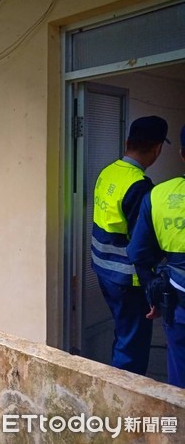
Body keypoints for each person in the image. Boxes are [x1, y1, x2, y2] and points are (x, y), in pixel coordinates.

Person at [91, 115, 169, 375]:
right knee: (132, 348)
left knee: (123, 333)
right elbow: (141, 246)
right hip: (127, 280)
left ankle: (117, 379)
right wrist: (152, 288)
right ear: (157, 148)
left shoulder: (108, 171)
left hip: (104, 271)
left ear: (127, 142)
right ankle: (124, 400)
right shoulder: (140, 186)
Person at [127, 125, 185, 388]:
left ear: (182, 154)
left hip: (179, 304)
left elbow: (139, 255)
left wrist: (153, 294)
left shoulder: (159, 195)